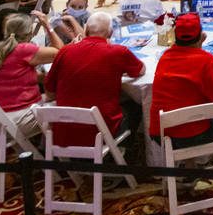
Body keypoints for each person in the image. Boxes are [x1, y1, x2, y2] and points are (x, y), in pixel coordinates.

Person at [149, 12, 213, 169]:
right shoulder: (205, 60)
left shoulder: (164, 57)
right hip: (193, 134)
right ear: (202, 36)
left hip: (160, 133)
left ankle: (190, 167)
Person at [44, 12, 146, 146]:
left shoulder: (65, 51)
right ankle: (122, 151)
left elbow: (50, 93)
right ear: (110, 34)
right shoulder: (118, 52)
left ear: (86, 31)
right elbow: (141, 70)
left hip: (64, 132)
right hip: (101, 133)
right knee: (135, 104)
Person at [0, 11, 62, 137]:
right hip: (11, 122)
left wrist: (49, 81)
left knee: (50, 96)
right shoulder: (23, 50)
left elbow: (35, 77)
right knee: (67, 103)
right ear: (30, 34)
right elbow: (60, 52)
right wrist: (48, 26)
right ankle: (56, 149)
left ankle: (43, 143)